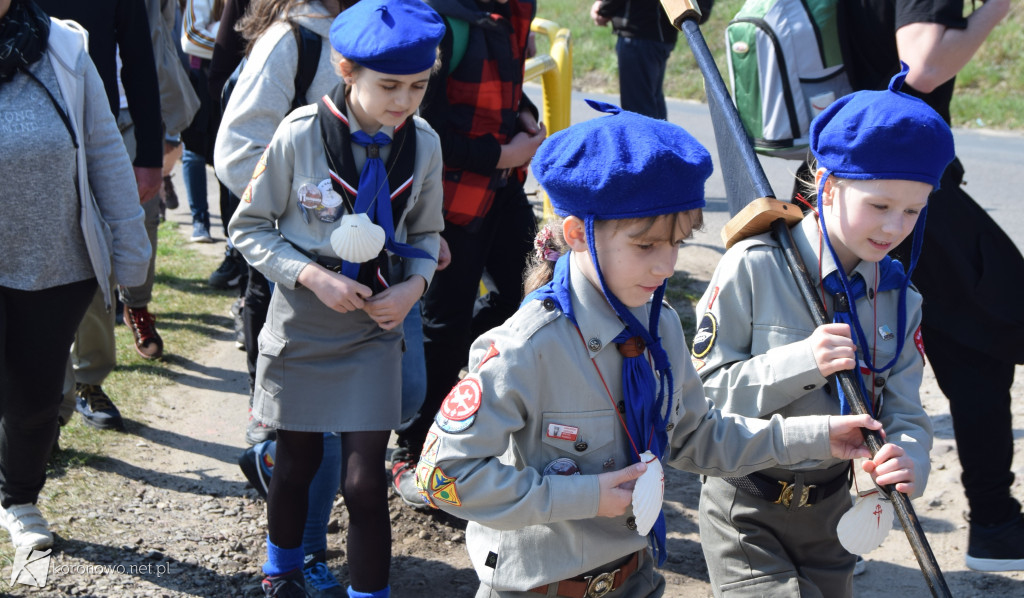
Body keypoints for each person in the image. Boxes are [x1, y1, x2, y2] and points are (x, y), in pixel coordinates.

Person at [413, 101, 886, 598]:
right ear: (578, 234)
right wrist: (583, 496)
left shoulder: (658, 326)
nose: (667, 265)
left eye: (678, 242)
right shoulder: (524, 348)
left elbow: (695, 436)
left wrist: (818, 436)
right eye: (646, 246)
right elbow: (439, 475)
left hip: (636, 578)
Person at [695, 66, 948, 596]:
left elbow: (903, 407)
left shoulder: (900, 298)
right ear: (828, 186)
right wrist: (802, 362)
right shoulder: (755, 265)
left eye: (912, 211)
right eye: (879, 206)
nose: (894, 228)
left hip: (834, 513)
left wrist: (912, 458)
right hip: (747, 506)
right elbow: (703, 395)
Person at [227, 0, 445, 594]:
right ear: (346, 69)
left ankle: (368, 591)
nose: (403, 101)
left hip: (376, 325)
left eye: (418, 86)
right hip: (303, 319)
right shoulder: (299, 134)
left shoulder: (423, 145)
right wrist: (313, 276)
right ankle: (282, 573)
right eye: (389, 86)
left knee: (365, 482)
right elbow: (248, 228)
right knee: (295, 465)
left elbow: (427, 234)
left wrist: (412, 288)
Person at [826, 0, 1024, 572]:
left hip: (834, 179)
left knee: (849, 348)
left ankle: (834, 525)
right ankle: (994, 522)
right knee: (985, 341)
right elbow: (925, 62)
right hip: (902, 187)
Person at [0, 0, 150, 549]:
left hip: (56, 264)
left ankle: (19, 500)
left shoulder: (62, 46)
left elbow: (106, 150)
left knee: (35, 398)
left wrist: (131, 251)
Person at [389, 0, 545, 509]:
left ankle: (465, 390)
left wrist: (524, 113)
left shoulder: (508, 11)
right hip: (451, 200)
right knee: (444, 323)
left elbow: (501, 82)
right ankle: (413, 452)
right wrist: (503, 154)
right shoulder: (442, 23)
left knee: (532, 294)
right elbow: (423, 131)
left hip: (501, 189)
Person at [35, 0, 168, 432]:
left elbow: (139, 62)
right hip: (20, 146)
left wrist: (149, 155)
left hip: (93, 133)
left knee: (90, 262)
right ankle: (41, 407)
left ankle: (89, 381)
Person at [589, 0, 712, 120]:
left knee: (639, 114)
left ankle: (652, 140)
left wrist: (603, 8)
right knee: (653, 108)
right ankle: (661, 140)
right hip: (661, 34)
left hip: (640, 32)